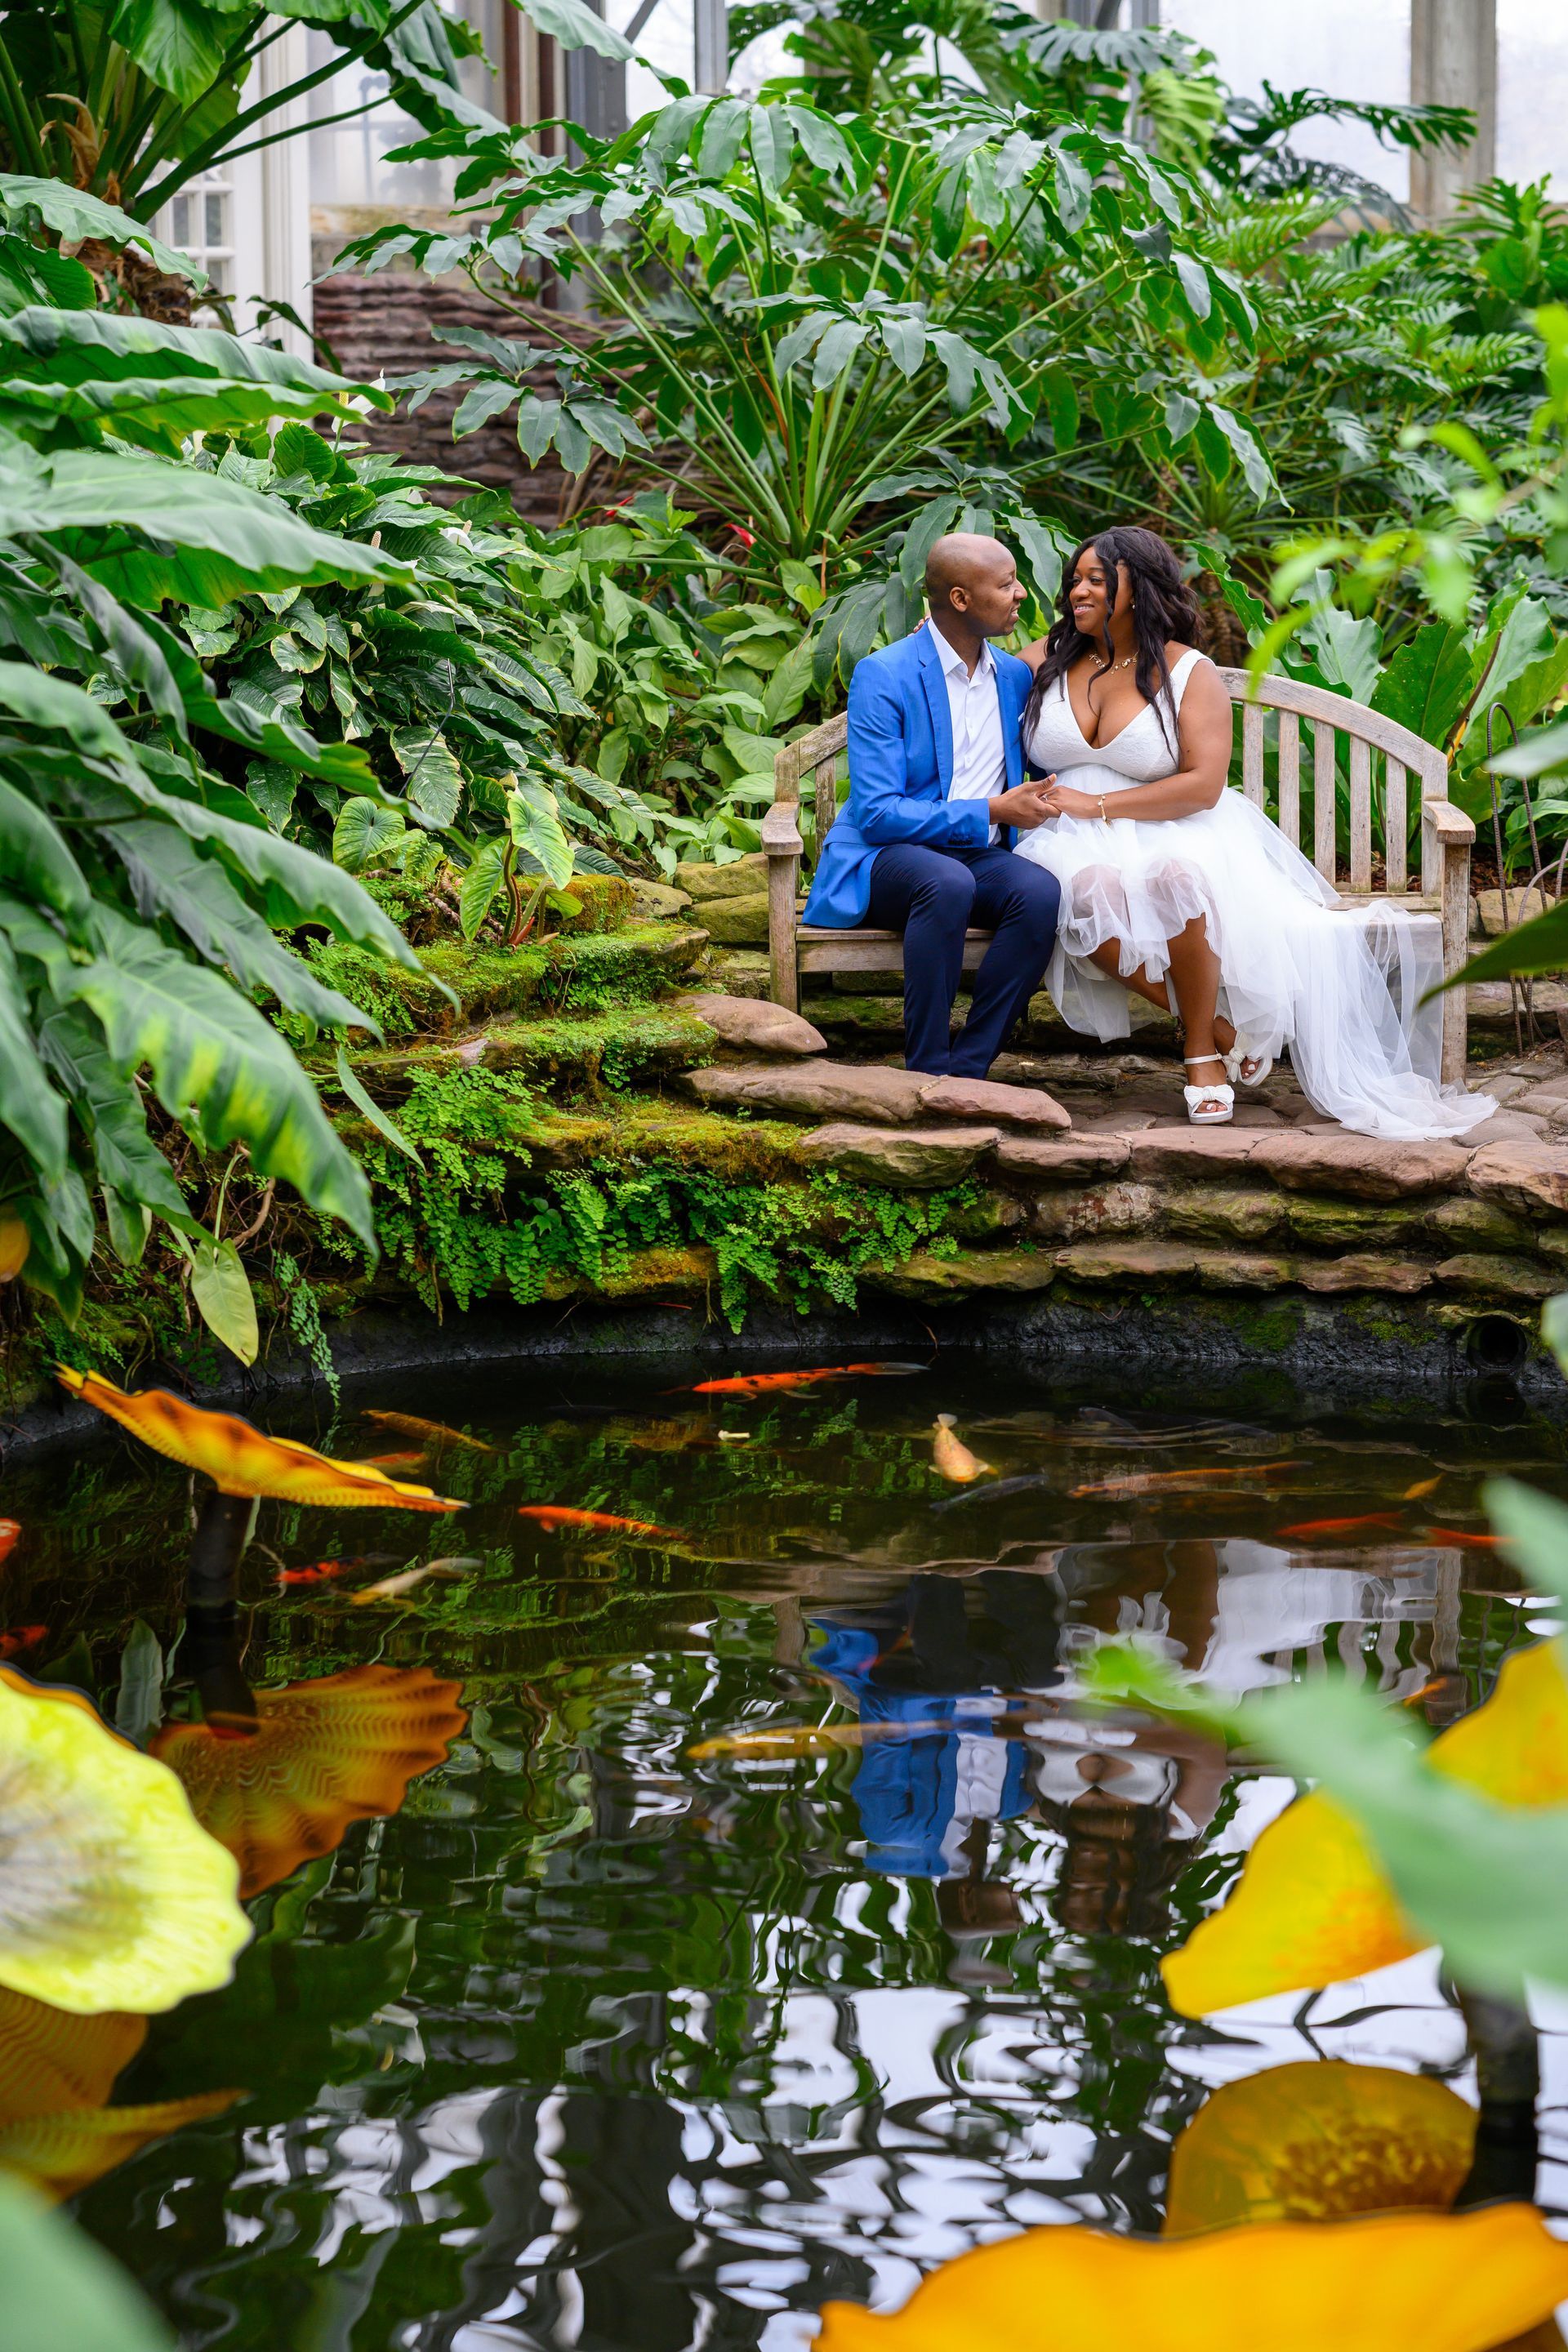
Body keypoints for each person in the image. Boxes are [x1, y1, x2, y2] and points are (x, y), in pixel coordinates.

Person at [1011, 524, 1491, 1137]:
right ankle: (1216, 1034)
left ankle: (1200, 1059)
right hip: (1063, 839)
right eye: (1075, 579)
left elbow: (1202, 785)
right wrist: (939, 637)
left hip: (1168, 824)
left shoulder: (1188, 672)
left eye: (1096, 580)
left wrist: (1097, 803)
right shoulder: (1049, 656)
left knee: (1178, 878)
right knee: (1085, 894)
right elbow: (976, 671)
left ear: (1139, 587)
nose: (1078, 590)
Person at [802, 533, 1062, 1078]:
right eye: (1006, 583)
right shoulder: (886, 674)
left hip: (974, 855)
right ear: (961, 599)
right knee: (946, 882)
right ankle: (926, 1066)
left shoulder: (1014, 677)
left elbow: (1083, 647)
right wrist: (992, 811)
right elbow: (876, 813)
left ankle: (969, 1067)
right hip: (889, 856)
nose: (1020, 594)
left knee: (1039, 893)